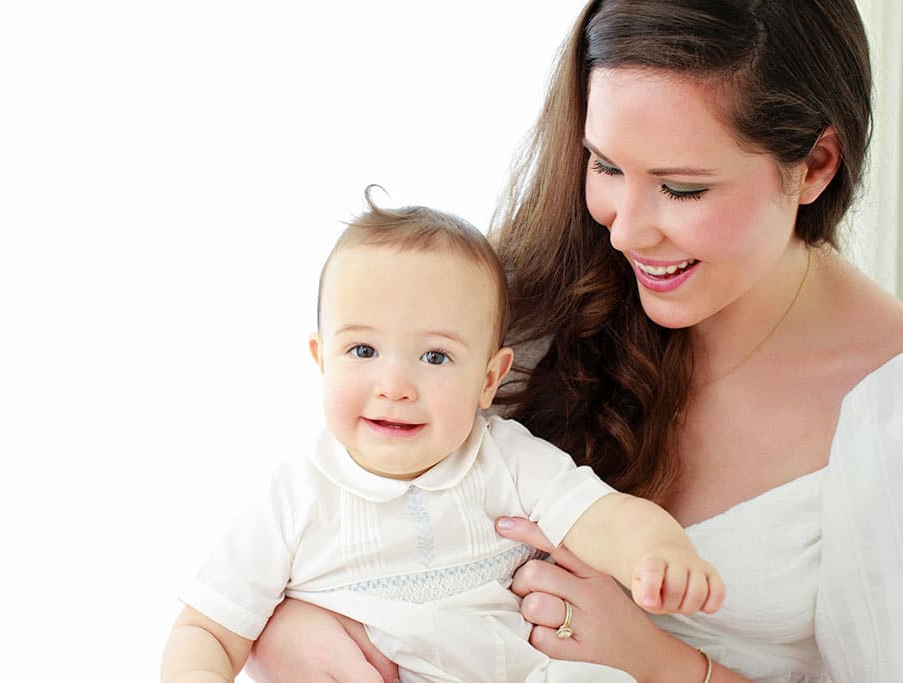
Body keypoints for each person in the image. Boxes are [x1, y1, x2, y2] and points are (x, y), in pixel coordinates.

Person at [245, 1, 903, 681]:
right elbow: (326, 495)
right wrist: (286, 622)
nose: (625, 233)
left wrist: (659, 661)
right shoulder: (540, 296)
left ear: (817, 163)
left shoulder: (885, 409)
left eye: (681, 188)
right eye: (606, 166)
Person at [161, 191, 726, 683]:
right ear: (321, 359)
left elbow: (602, 515)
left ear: (488, 379)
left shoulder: (506, 460)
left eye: (435, 356)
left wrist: (656, 551)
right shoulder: (293, 498)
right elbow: (207, 630)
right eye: (363, 351)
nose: (395, 386)